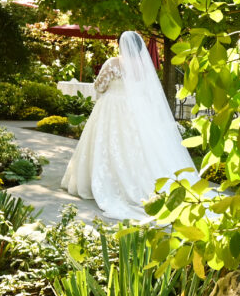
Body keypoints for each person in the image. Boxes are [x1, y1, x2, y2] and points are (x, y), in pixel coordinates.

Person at [61, 31, 199, 220]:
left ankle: (102, 183)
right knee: (132, 147)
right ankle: (135, 182)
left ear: (120, 45)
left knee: (106, 144)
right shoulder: (144, 67)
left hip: (111, 108)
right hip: (135, 111)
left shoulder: (113, 63)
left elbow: (99, 86)